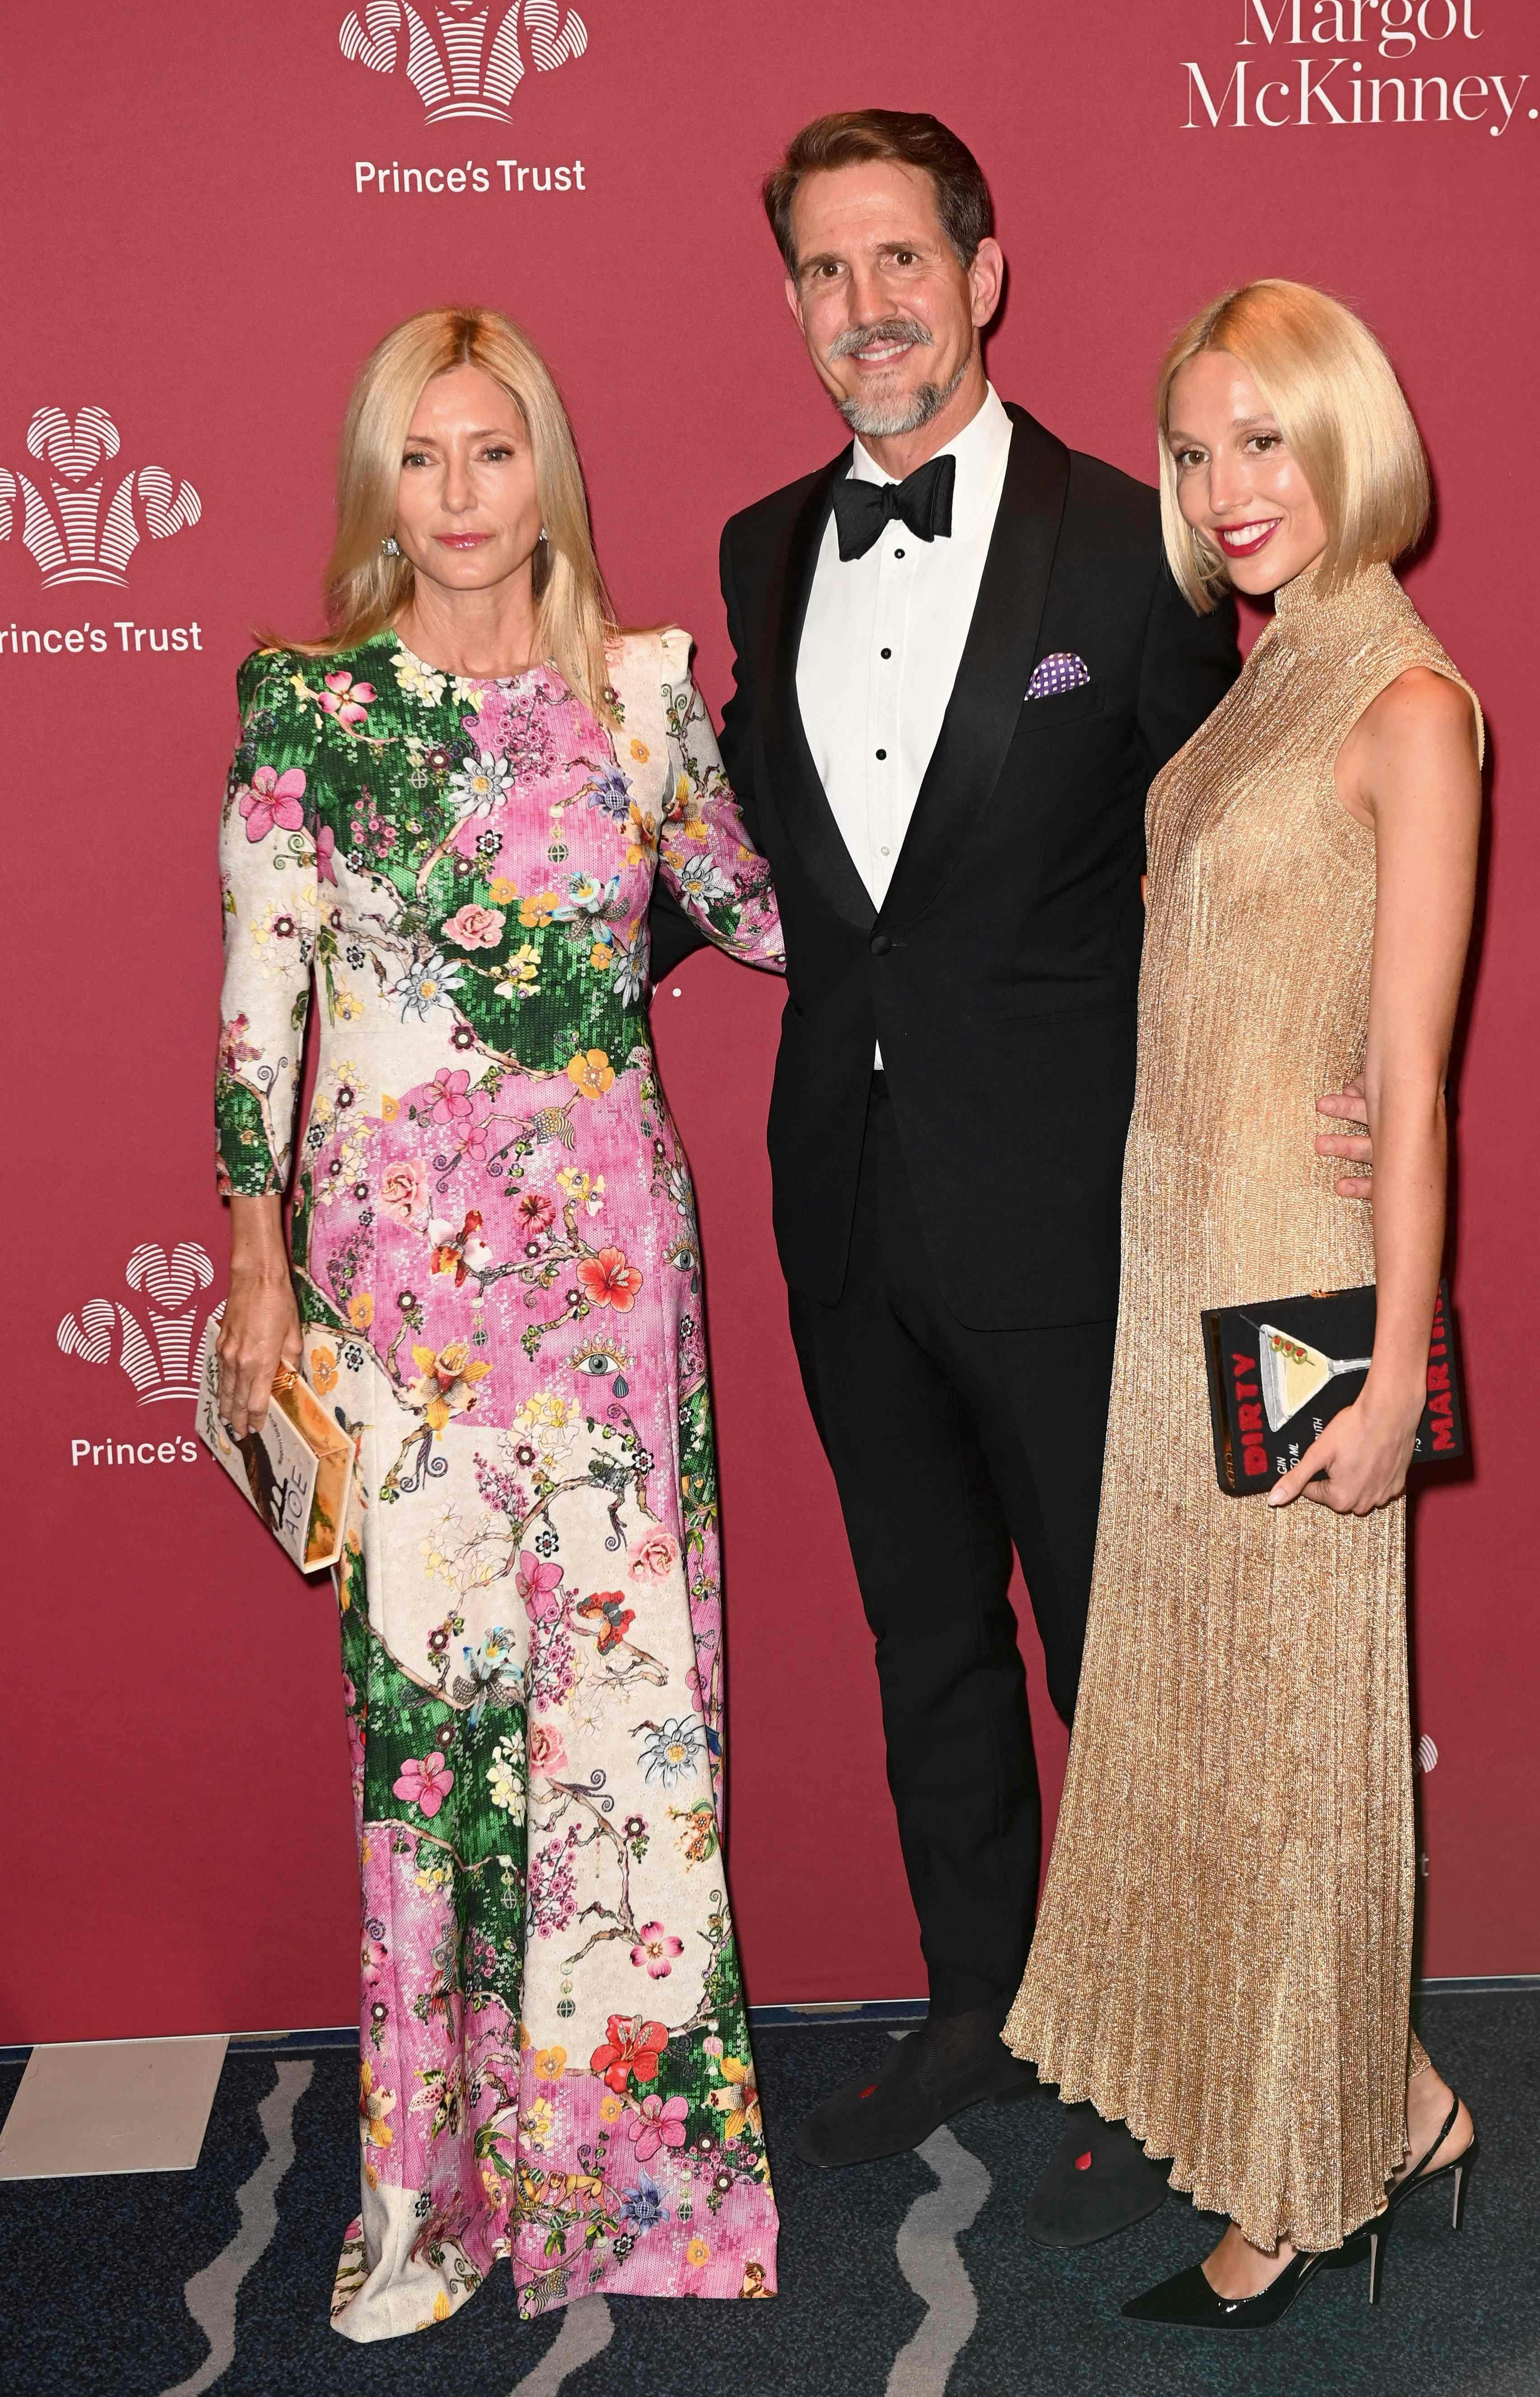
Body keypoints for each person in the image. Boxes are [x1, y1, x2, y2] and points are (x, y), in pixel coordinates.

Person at [649, 114, 1372, 2232]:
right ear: (789, 297)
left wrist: (1321, 1062)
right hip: (843, 1198)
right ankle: (986, 1995)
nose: (862, 307)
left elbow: (1249, 828)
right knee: (922, 1638)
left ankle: (1191, 2034)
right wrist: (499, 938)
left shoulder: (1132, 536)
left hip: (1079, 1204)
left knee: (1121, 1641)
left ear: (982, 270)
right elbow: (743, 858)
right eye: (819, 271)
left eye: (899, 260)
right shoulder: (760, 548)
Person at [213, 308, 782, 2336]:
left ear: (549, 469)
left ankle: (632, 2187)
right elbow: (257, 1007)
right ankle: (421, 2206)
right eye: (422, 460)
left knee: (624, 1733)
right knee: (431, 1736)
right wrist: (256, 1250)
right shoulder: (308, 706)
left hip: (610, 1275)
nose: (460, 500)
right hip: (400, 1298)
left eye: (494, 453)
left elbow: (778, 909)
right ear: (384, 484)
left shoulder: (643, 699)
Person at [1005, 280, 1482, 2328]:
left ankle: (1305, 2190)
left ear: (1343, 436)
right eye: (1195, 451)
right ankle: (1390, 2098)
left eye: (1260, 439)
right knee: (1211, 1723)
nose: (1224, 487)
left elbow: (1410, 1073)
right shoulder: (1254, 685)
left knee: (1294, 1735)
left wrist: (1386, 1378)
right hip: (1173, 1261)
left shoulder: (1409, 707)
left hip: (1296, 1278)